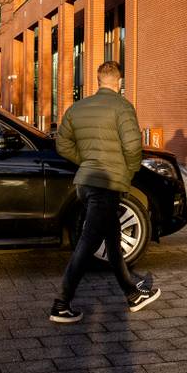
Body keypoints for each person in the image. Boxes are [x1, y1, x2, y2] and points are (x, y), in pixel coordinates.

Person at [50, 60, 160, 323]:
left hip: (86, 183)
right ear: (119, 82)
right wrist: (128, 172)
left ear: (98, 80)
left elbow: (62, 144)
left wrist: (85, 161)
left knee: (112, 239)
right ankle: (61, 304)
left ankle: (133, 293)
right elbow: (134, 148)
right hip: (107, 184)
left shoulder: (78, 108)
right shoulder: (122, 107)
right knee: (87, 243)